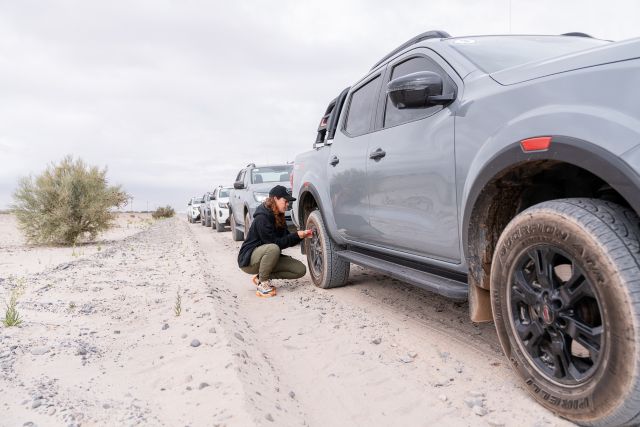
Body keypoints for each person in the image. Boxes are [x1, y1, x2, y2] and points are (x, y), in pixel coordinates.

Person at [237, 185, 313, 297]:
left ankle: (261, 277)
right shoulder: (262, 218)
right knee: (273, 248)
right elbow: (275, 243)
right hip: (249, 260)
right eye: (285, 201)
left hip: (267, 256)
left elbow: (286, 239)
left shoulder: (278, 215)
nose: (288, 204)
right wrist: (296, 235)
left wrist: (301, 235)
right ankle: (263, 285)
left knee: (300, 270)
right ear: (275, 199)